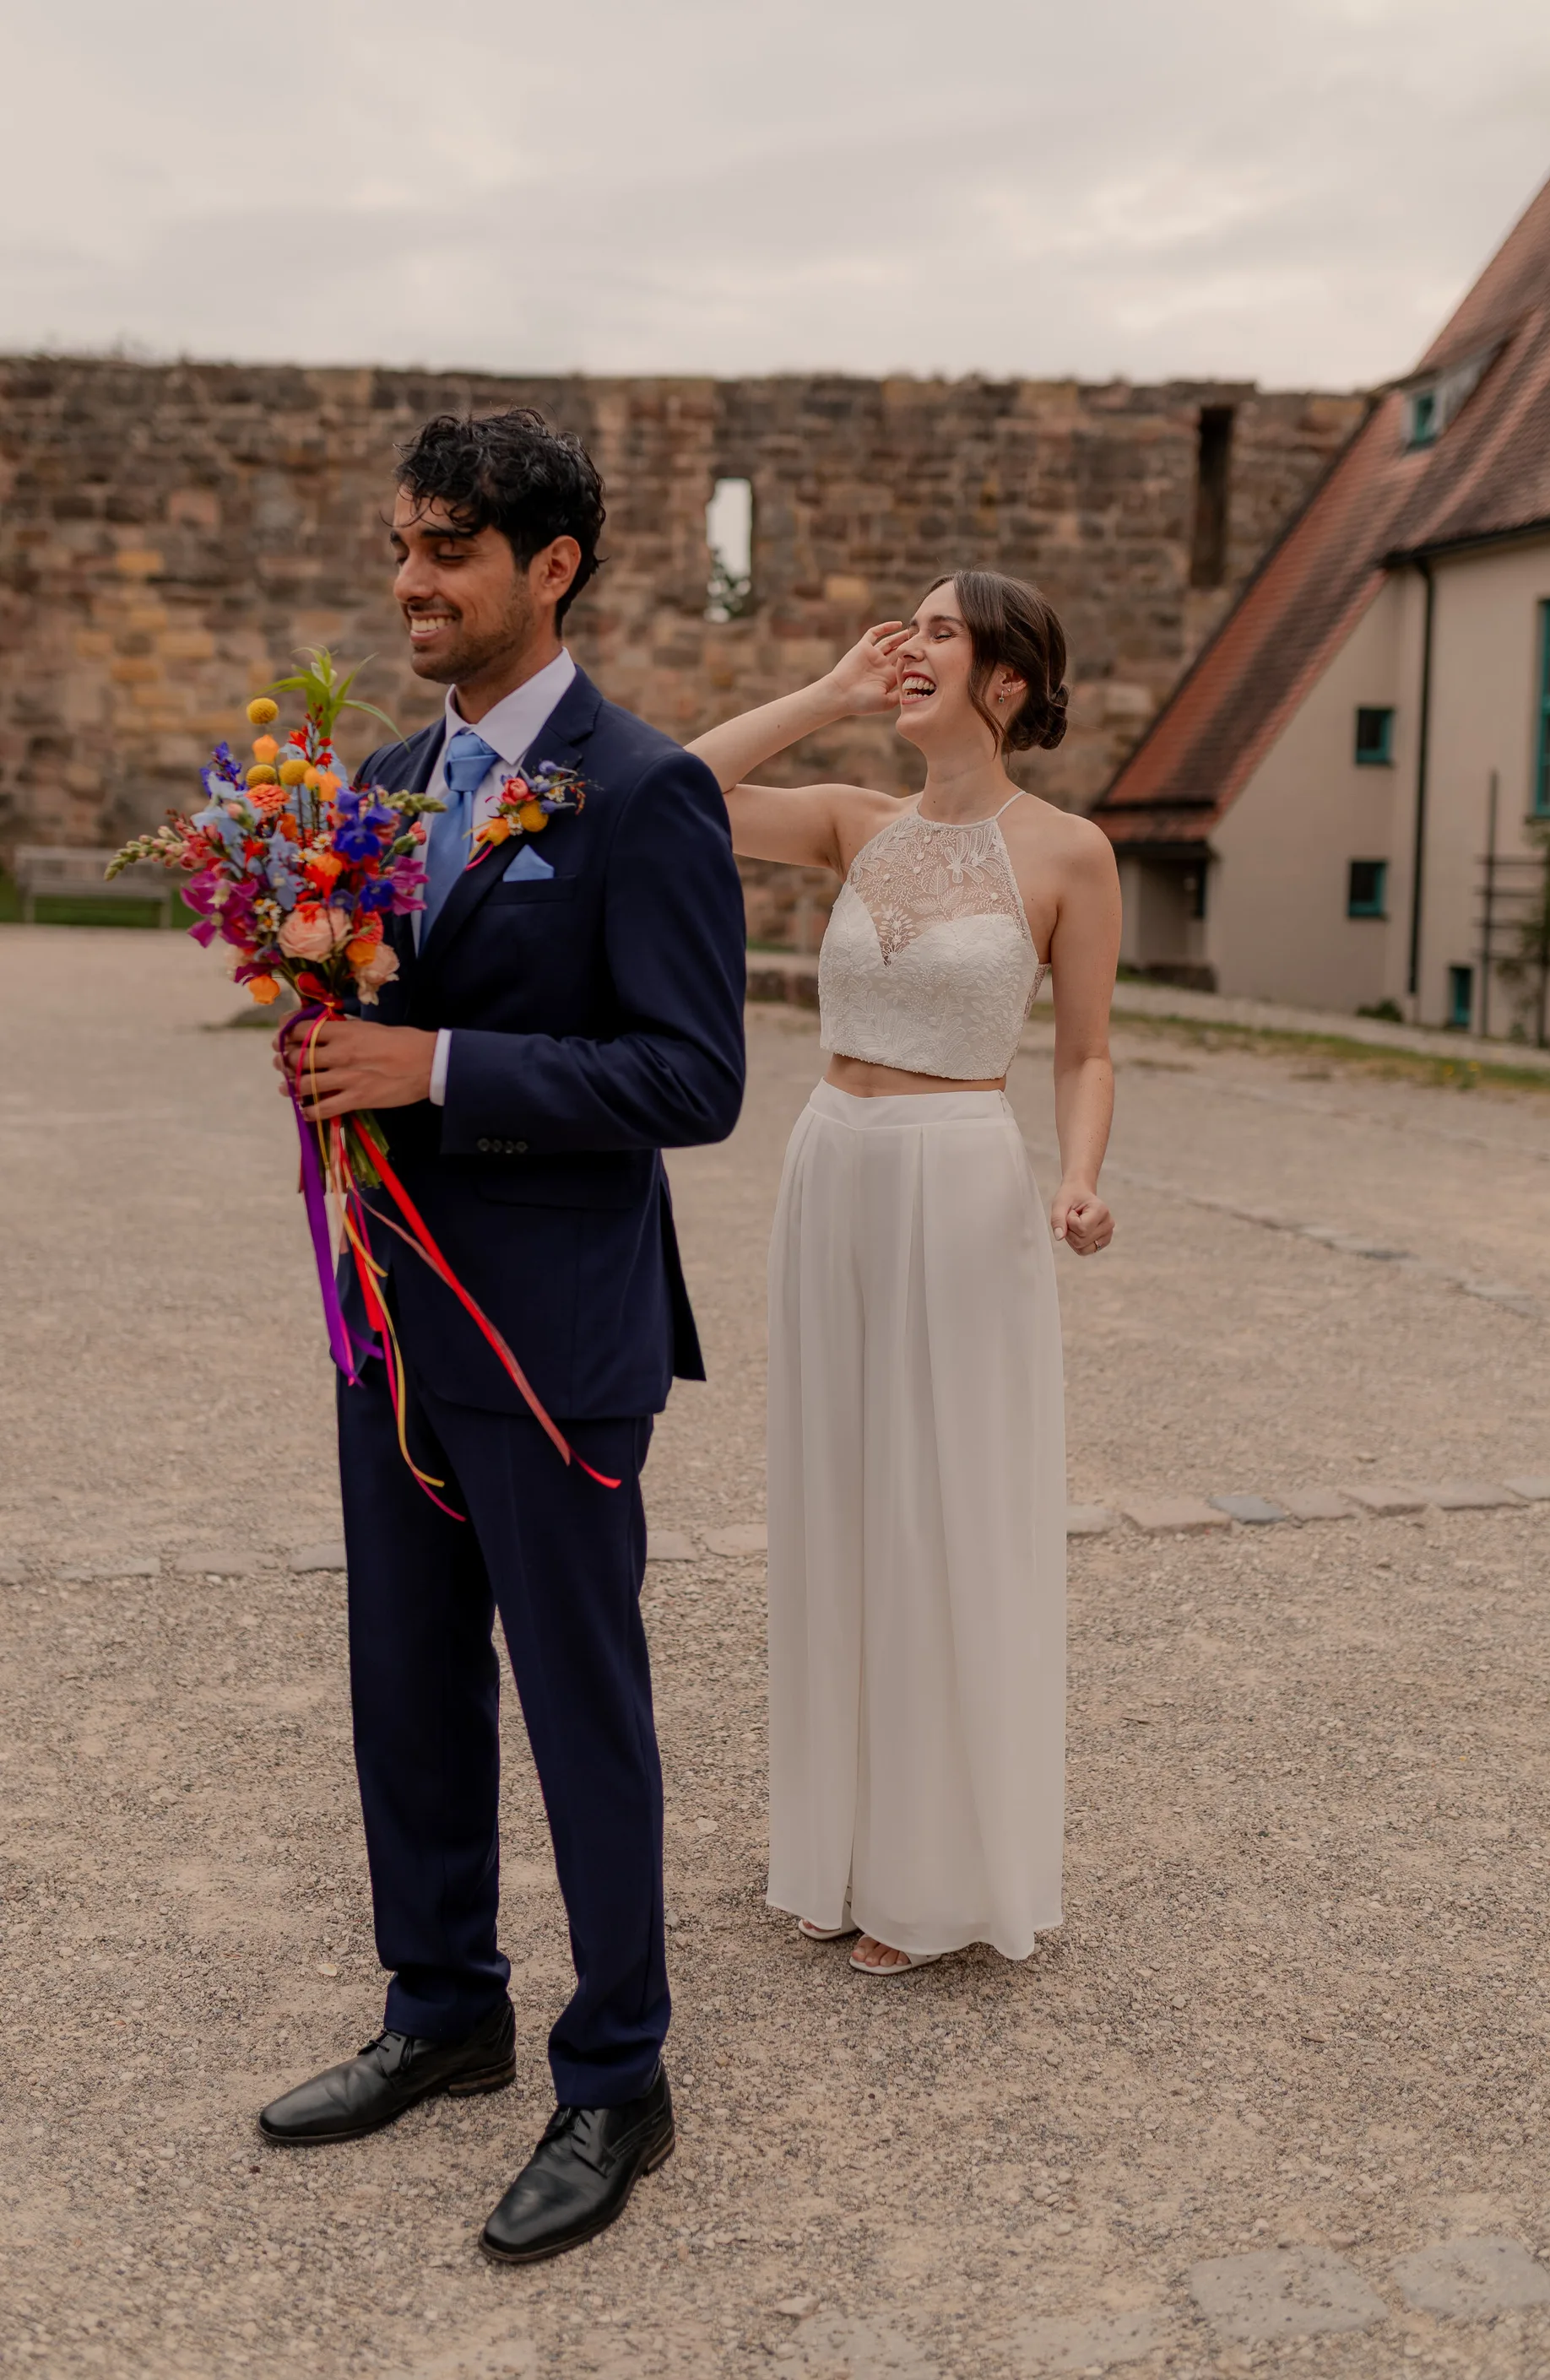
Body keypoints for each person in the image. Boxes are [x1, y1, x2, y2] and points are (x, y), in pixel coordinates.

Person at [257, 409, 746, 2263]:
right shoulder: (379, 782)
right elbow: (363, 1001)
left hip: (554, 1338)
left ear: (550, 566)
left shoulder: (647, 790)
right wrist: (326, 1056)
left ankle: (619, 2073)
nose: (410, 580)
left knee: (578, 1704)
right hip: (388, 1323)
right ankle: (441, 2008)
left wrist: (434, 1066)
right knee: (405, 1686)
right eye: (402, 543)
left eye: (449, 546)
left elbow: (693, 1076)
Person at [688, 572, 1119, 1977]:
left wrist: (1077, 1173)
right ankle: (841, 1848)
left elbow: (1086, 1050)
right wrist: (823, 697)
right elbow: (672, 795)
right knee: (841, 1498)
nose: (909, 645)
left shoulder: (1071, 854)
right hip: (834, 1164)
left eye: (942, 630)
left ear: (1006, 680)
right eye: (907, 626)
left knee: (942, 1508)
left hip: (958, 1174)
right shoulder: (849, 822)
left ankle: (933, 1881)